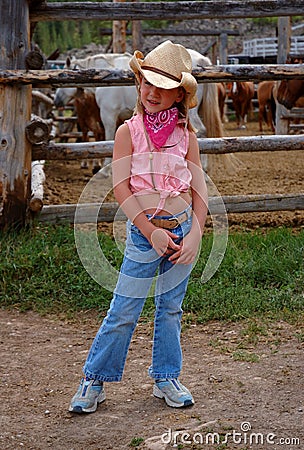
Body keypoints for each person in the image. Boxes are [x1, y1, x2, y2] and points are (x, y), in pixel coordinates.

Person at [69, 40, 208, 413]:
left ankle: (166, 376)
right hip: (146, 233)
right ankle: (94, 378)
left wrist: (195, 232)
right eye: (147, 83)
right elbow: (120, 187)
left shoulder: (187, 137)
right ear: (138, 85)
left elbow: (199, 190)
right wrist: (150, 231)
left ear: (179, 94)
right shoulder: (128, 133)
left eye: (163, 87)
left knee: (171, 309)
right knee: (125, 308)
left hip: (180, 232)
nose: (152, 92)